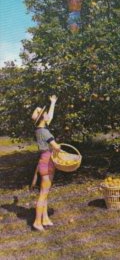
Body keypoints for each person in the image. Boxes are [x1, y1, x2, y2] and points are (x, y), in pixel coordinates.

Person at [31, 95, 60, 231]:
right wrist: (59, 148)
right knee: (43, 193)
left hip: (44, 160)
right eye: (46, 114)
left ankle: (45, 218)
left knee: (46, 191)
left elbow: (50, 117)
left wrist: (52, 103)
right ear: (43, 118)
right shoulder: (45, 132)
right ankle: (37, 222)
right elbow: (56, 147)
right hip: (47, 162)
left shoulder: (39, 129)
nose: (48, 115)